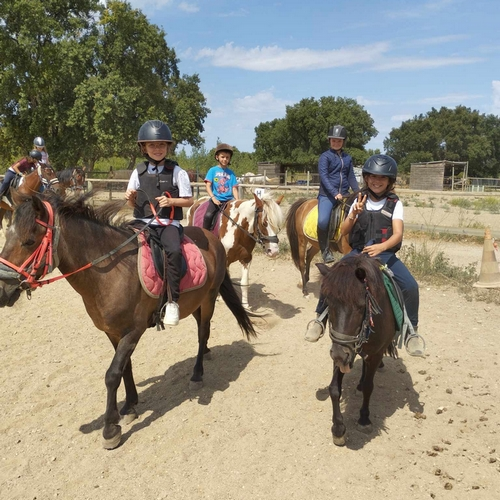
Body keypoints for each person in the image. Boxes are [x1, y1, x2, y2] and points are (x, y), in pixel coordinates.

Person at [305, 154, 421, 350]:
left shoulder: (395, 203)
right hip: (358, 253)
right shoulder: (357, 199)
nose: (377, 181)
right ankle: (320, 318)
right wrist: (354, 215)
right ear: (366, 178)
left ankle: (412, 331)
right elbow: (343, 230)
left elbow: (398, 234)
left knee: (410, 286)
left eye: (382, 178)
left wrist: (382, 247)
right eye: (373, 177)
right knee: (332, 278)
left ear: (389, 181)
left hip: (384, 255)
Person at [125, 120, 194, 327]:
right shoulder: (137, 172)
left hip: (167, 223)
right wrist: (130, 197)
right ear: (143, 148)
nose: (157, 149)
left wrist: (172, 201)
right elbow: (131, 204)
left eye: (161, 145)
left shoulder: (177, 172)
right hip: (141, 221)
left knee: (172, 250)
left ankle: (173, 301)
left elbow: (189, 200)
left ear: (168, 147)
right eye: (152, 145)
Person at [317, 125, 359, 263]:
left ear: (343, 142)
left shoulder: (347, 158)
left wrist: (358, 192)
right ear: (329, 141)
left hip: (345, 194)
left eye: (339, 141)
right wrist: (334, 193)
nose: (336, 143)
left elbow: (351, 176)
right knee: (323, 221)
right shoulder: (325, 157)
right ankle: (325, 250)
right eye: (334, 140)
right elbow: (324, 176)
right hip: (327, 195)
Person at [202, 143, 239, 230]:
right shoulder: (212, 170)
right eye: (222, 157)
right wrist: (213, 198)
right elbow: (208, 186)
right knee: (208, 215)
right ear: (217, 157)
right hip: (216, 200)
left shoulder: (231, 173)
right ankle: (205, 234)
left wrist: (238, 201)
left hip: (229, 201)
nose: (225, 159)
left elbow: (234, 188)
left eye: (227, 157)